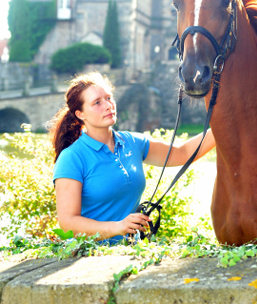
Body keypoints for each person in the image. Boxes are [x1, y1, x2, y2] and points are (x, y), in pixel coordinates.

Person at [50, 72, 215, 243]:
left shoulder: (132, 142)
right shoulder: (72, 157)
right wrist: (117, 227)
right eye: (97, 102)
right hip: (88, 257)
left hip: (130, 253)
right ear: (80, 114)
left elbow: (182, 153)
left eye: (109, 98)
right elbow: (68, 223)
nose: (108, 105)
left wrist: (225, 125)